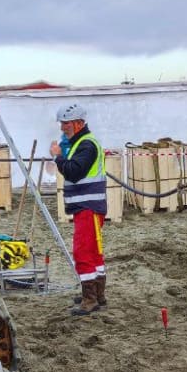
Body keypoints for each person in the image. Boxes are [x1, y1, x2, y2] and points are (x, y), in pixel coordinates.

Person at [50, 103, 107, 315]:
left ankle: (90, 299)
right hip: (87, 206)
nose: (62, 128)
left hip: (88, 206)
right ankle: (97, 294)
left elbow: (74, 172)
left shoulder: (86, 145)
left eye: (65, 123)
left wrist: (58, 156)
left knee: (83, 252)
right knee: (94, 253)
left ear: (78, 123)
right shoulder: (82, 143)